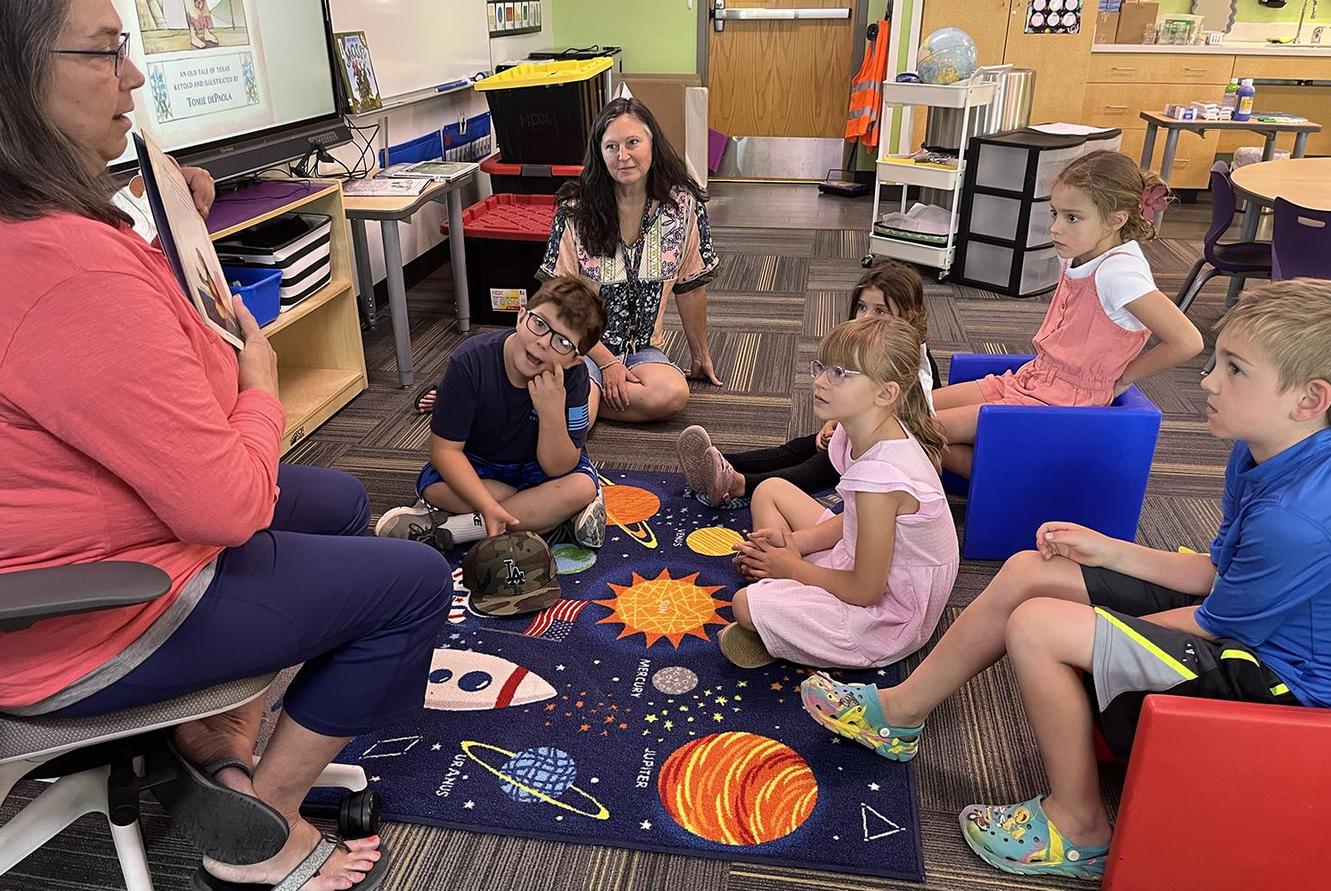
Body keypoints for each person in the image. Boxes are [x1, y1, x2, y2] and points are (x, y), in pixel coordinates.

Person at [0, 3, 453, 888]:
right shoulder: (67, 271)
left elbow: (121, 375)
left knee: (340, 500)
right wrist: (261, 385)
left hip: (70, 550)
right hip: (77, 620)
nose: (133, 76)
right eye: (105, 52)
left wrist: (168, 234)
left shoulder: (41, 231)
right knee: (413, 585)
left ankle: (216, 737)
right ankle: (259, 833)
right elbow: (229, 502)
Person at [801, 280, 1331, 880]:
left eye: (1235, 369)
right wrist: (1107, 551)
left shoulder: (1295, 520)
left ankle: (1079, 825)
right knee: (1032, 569)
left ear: (1310, 399)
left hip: (1279, 681)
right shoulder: (1262, 449)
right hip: (1239, 624)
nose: (1207, 381)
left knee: (1039, 627)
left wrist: (1095, 635)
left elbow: (1218, 622)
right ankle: (900, 712)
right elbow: (1215, 571)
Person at [411, 98, 723, 424]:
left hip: (642, 349)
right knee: (577, 420)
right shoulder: (575, 209)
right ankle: (477, 390)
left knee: (671, 395)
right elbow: (557, 303)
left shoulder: (682, 206)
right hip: (575, 346)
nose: (623, 155)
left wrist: (700, 355)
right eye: (611, 146)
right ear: (599, 154)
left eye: (633, 142)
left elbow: (690, 287)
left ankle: (556, 396)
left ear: (653, 143)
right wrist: (607, 363)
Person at [931, 150, 1204, 476]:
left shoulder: (1119, 273)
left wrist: (1123, 378)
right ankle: (996, 473)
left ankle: (1010, 481)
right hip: (1033, 380)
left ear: (1116, 220)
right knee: (914, 408)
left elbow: (1188, 341)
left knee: (915, 432)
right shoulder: (1082, 253)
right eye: (1055, 213)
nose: (1055, 228)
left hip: (1060, 405)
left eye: (1072, 218)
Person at [719, 316, 959, 670]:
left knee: (744, 604)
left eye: (840, 373)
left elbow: (866, 591)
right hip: (864, 558)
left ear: (886, 393)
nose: (819, 381)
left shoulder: (882, 478)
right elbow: (855, 517)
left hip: (889, 614)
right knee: (769, 490)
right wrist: (796, 544)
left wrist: (790, 568)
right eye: (822, 367)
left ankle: (779, 609)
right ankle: (780, 604)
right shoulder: (866, 431)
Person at [676, 260, 940, 507]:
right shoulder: (868, 349)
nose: (865, 317)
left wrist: (842, 425)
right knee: (796, 448)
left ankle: (739, 484)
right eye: (861, 307)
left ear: (909, 315)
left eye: (879, 311)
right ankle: (718, 463)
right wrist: (836, 422)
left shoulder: (907, 362)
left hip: (875, 448)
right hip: (856, 431)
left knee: (815, 467)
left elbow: (909, 419)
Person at [377, 276, 609, 550]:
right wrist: (488, 504)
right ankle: (551, 520)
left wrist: (551, 412)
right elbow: (445, 452)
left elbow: (559, 467)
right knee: (436, 489)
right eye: (539, 323)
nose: (543, 343)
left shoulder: (574, 377)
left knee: (580, 487)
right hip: (481, 467)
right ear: (521, 316)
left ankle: (453, 530)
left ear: (574, 360)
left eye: (563, 342)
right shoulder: (470, 360)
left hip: (540, 472)